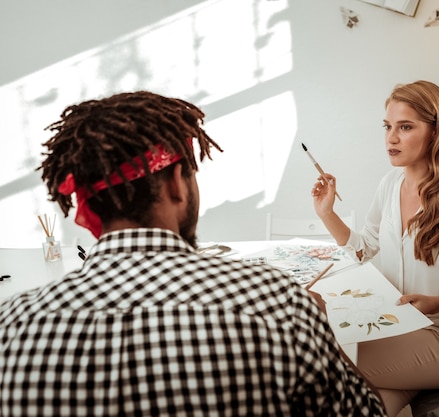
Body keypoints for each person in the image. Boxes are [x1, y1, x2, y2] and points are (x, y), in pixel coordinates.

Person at [0, 91, 386, 417]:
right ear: (175, 184)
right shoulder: (277, 303)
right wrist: (321, 333)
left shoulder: (12, 327)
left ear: (88, 203)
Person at [310, 81, 439, 416]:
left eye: (405, 127)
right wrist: (327, 213)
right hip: (402, 325)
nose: (391, 138)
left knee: (325, 356)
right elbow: (365, 248)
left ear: (435, 132)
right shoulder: (390, 184)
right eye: (388, 127)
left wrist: (438, 303)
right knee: (362, 404)